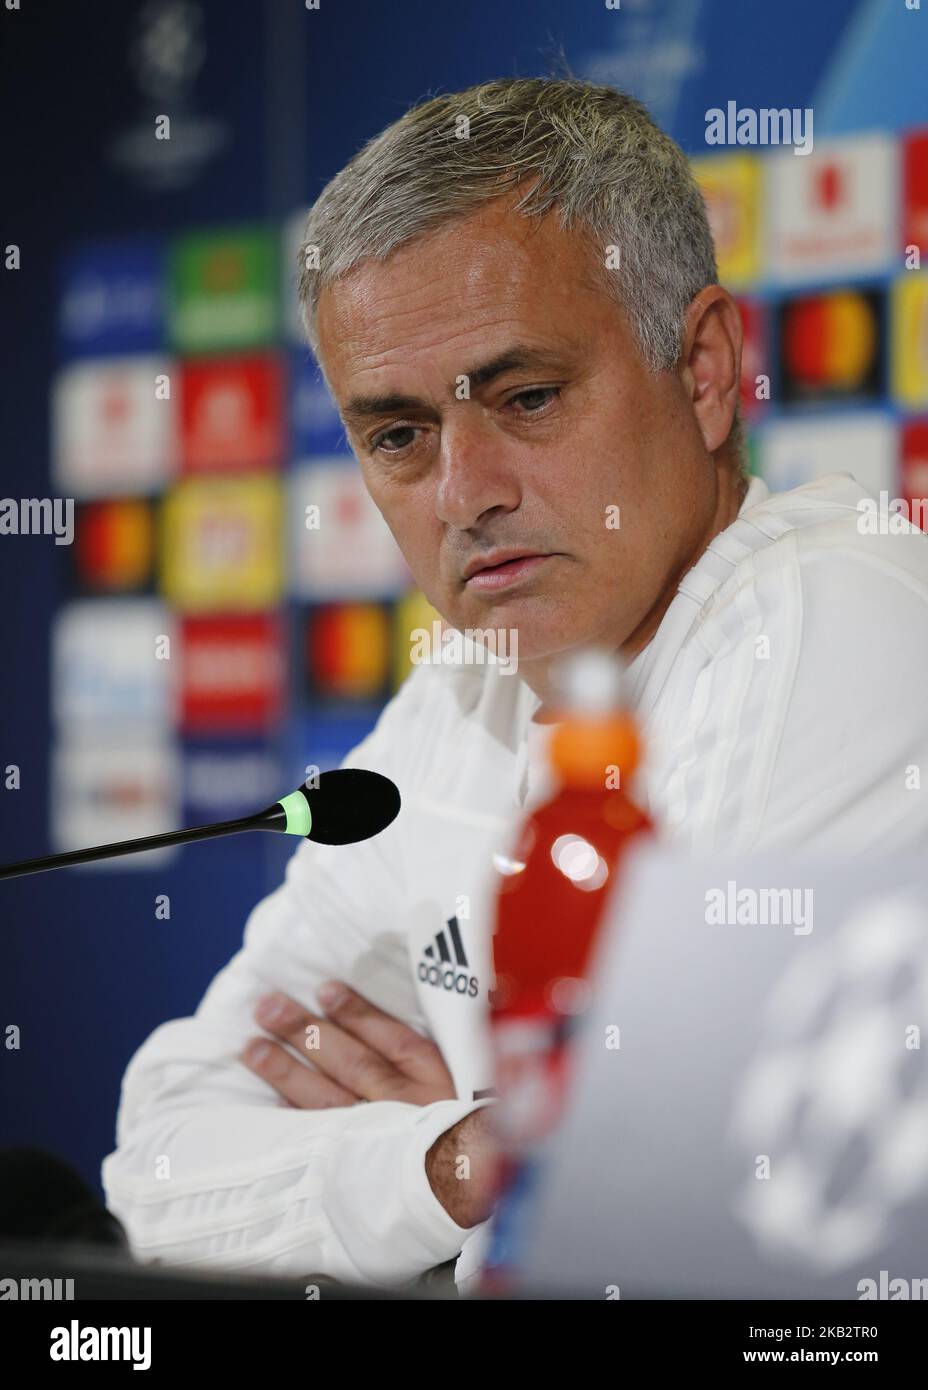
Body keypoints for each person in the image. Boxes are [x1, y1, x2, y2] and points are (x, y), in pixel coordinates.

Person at [102, 77, 928, 1294]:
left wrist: (518, 1161)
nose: (463, 491)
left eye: (526, 396)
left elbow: (678, 1237)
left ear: (703, 371)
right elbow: (160, 1166)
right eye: (397, 434)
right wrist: (456, 1162)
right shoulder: (459, 698)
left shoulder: (836, 619)